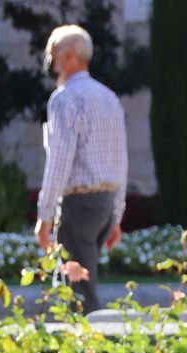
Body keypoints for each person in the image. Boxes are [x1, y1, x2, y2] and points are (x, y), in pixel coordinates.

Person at [33, 24, 128, 314]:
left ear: (69, 56)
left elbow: (59, 161)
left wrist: (44, 216)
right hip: (103, 206)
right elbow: (120, 158)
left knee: (78, 295)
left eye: (53, 53)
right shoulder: (108, 97)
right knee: (76, 284)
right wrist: (116, 214)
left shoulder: (65, 99)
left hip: (80, 205)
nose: (49, 60)